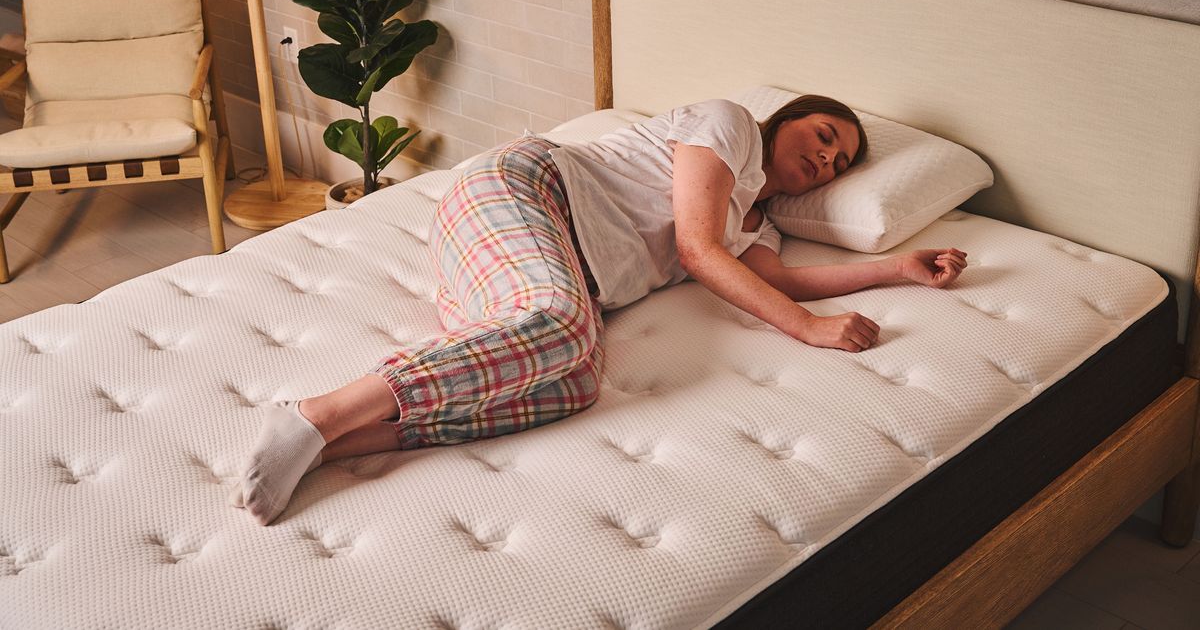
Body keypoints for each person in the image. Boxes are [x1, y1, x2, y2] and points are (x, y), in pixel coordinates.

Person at [230, 95, 967, 525]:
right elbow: (698, 249)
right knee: (559, 325)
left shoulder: (757, 226)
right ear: (789, 120)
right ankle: (314, 414)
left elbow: (781, 277)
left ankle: (339, 446)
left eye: (839, 164)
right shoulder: (728, 125)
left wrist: (898, 268)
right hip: (522, 191)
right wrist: (806, 333)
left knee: (576, 382)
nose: (826, 159)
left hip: (543, 267)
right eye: (824, 136)